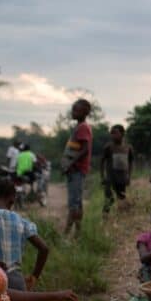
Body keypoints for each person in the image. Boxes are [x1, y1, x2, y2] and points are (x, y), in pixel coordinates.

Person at [0, 178, 48, 292]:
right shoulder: (21, 220)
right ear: (12, 200)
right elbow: (44, 249)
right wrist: (33, 277)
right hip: (16, 281)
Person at [62, 99, 93, 236]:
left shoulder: (83, 127)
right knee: (77, 202)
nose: (73, 112)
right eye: (73, 109)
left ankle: (67, 233)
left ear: (85, 112)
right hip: (75, 170)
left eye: (76, 110)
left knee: (74, 203)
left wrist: (70, 163)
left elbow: (85, 149)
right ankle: (77, 234)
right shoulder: (79, 127)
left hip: (77, 170)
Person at [100, 125, 134, 214]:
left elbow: (131, 161)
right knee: (109, 199)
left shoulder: (128, 147)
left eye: (115, 133)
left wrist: (129, 176)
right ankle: (105, 217)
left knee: (122, 198)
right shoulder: (108, 147)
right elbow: (102, 162)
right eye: (111, 133)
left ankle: (122, 217)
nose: (113, 135)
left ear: (122, 133)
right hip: (110, 178)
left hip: (122, 179)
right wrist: (103, 177)